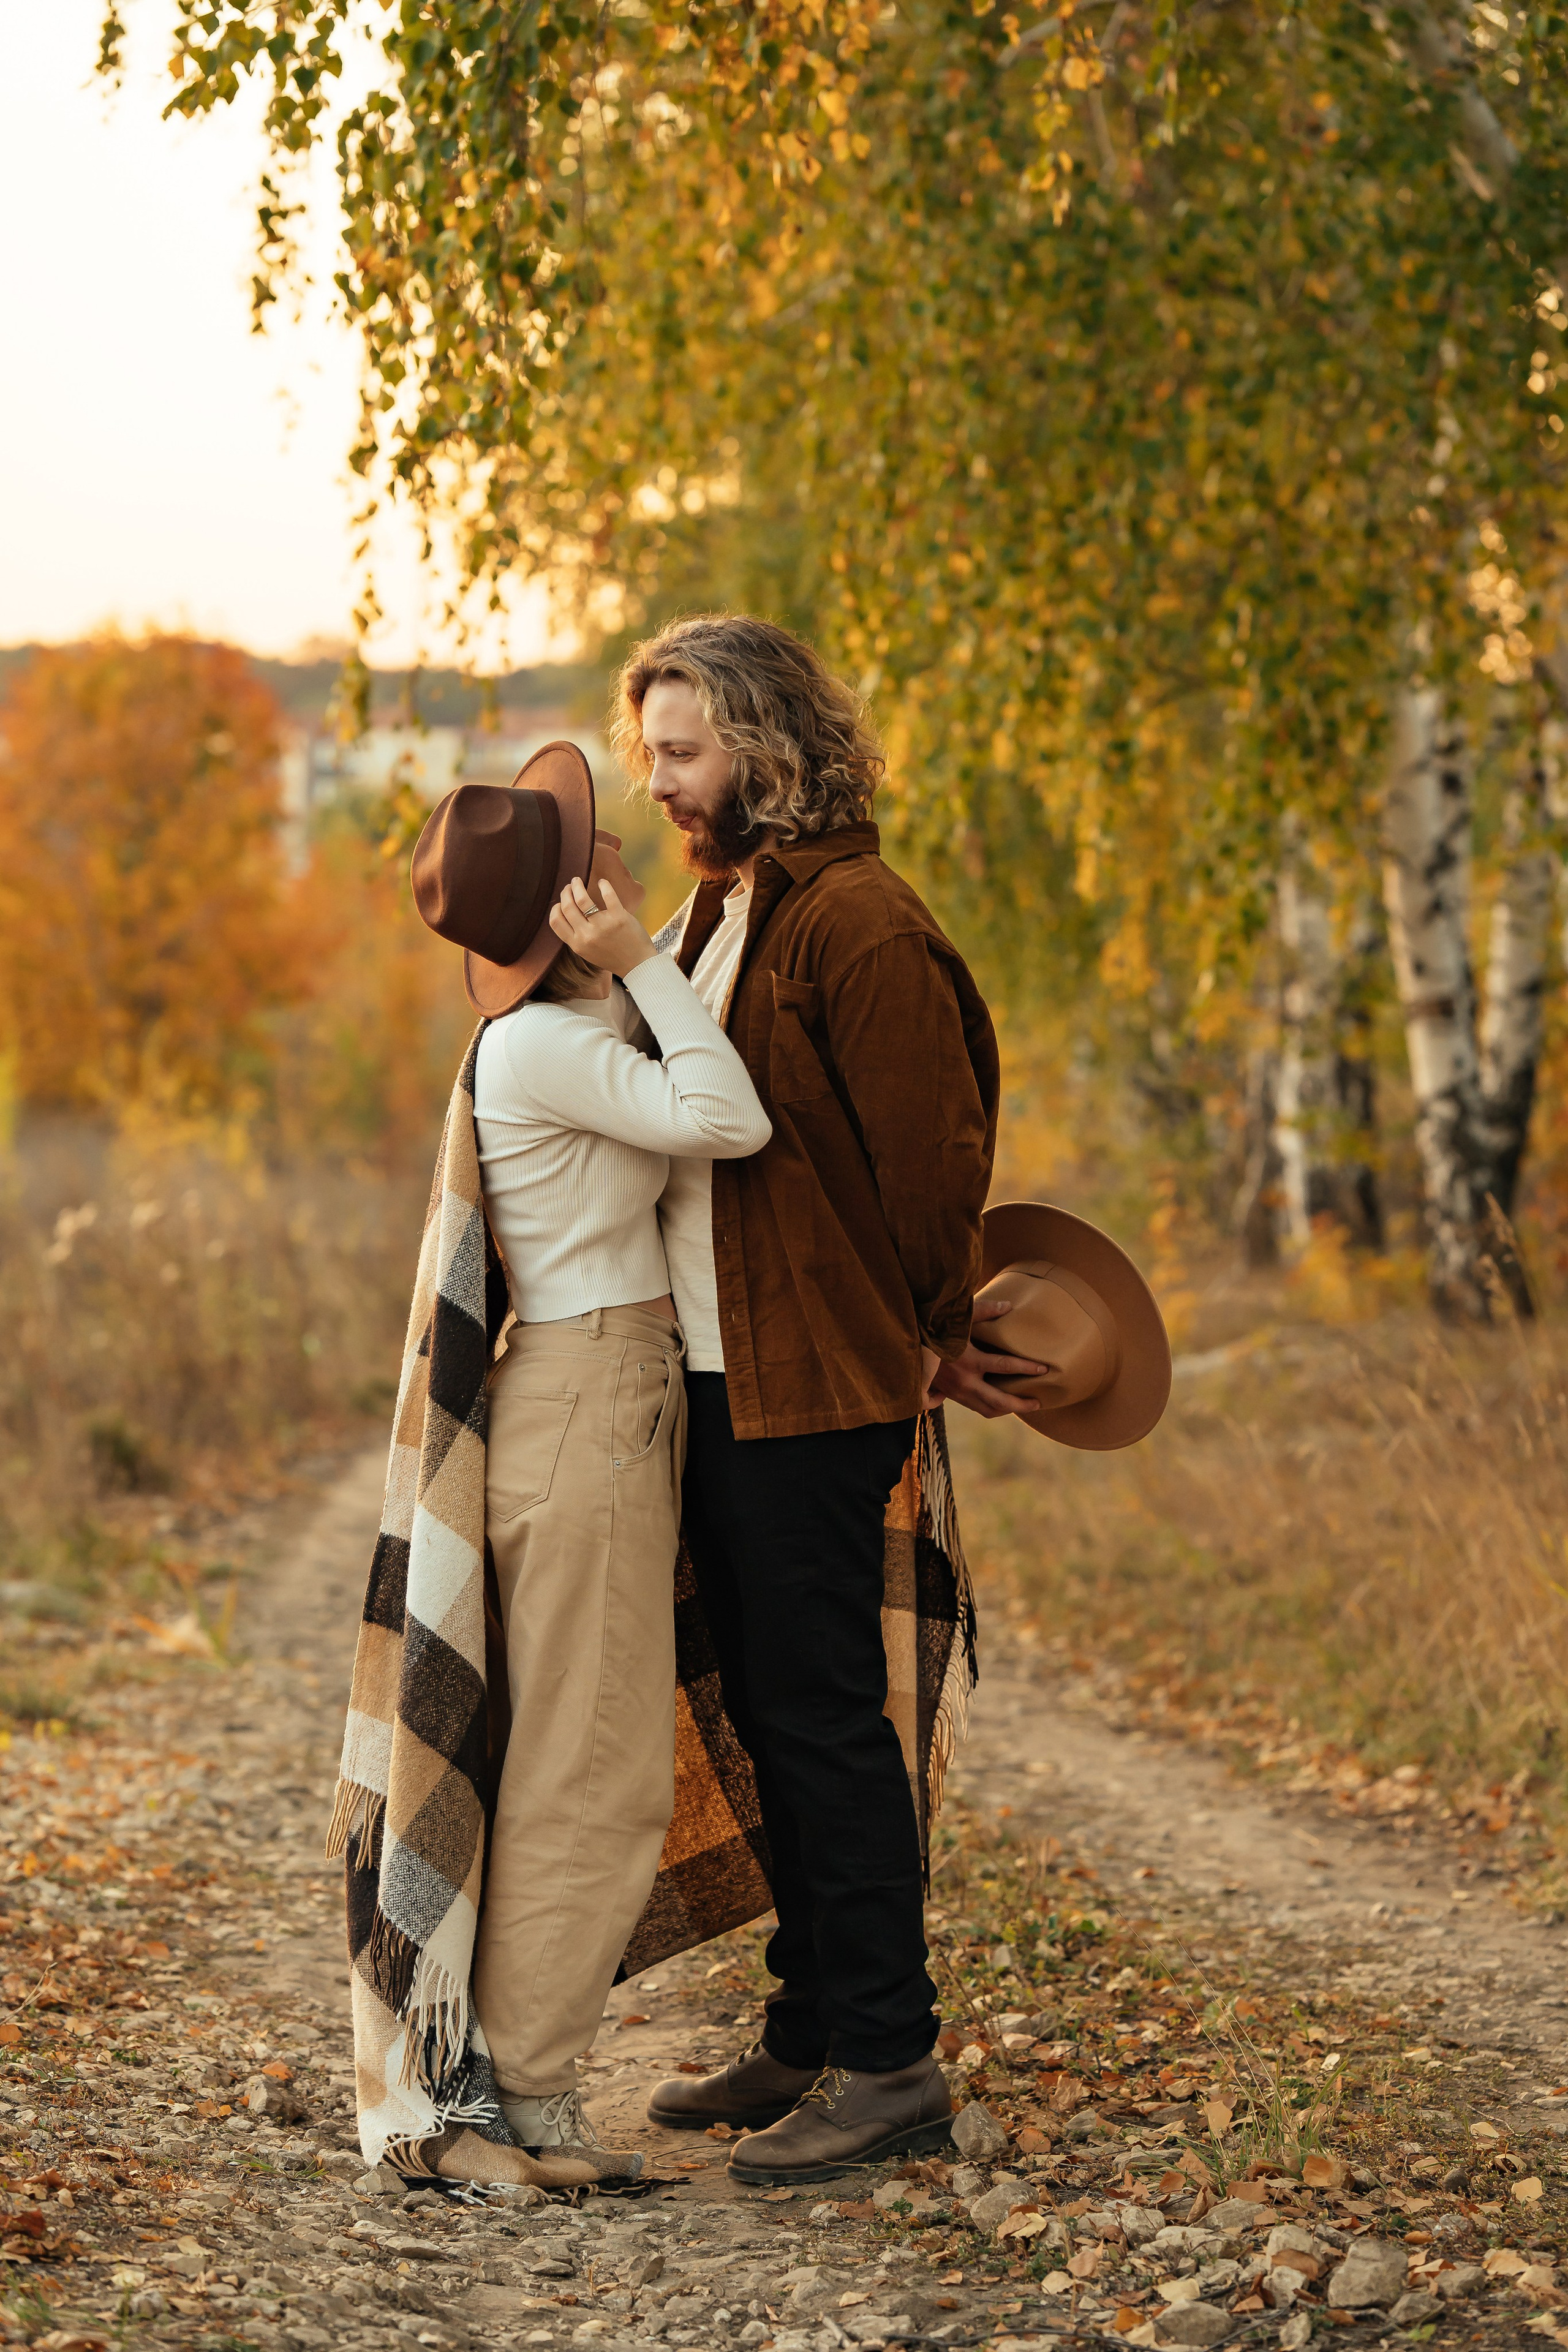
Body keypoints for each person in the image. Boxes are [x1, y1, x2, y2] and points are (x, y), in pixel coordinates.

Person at [619, 614, 1047, 2185]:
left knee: (818, 1720)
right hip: (720, 1372)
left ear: (766, 747)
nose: (657, 781)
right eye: (651, 751)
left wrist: (926, 1329)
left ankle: (888, 2063)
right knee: (762, 1707)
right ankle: (808, 2024)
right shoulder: (724, 907)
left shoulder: (861, 926)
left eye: (682, 751)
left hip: (807, 1382)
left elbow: (934, 1165)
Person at [333, 742, 770, 2188]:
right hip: (592, 1395)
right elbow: (729, 1119)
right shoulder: (548, 1046)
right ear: (573, 900)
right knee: (593, 1773)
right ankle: (511, 2092)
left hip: (583, 1396)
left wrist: (641, 972)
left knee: (560, 1757)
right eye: (605, 854)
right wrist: (642, 962)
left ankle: (500, 2087)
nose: (633, 857)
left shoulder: (558, 1035)